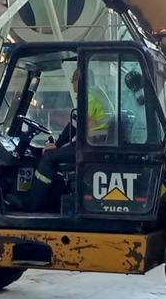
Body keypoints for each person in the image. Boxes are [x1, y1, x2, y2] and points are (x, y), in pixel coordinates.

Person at [28, 69, 110, 210]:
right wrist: (58, 145)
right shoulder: (96, 94)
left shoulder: (89, 98)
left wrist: (57, 146)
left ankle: (33, 205)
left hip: (90, 147)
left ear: (79, 80)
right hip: (94, 144)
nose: (72, 83)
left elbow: (75, 127)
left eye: (73, 79)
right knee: (54, 154)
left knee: (48, 158)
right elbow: (73, 126)